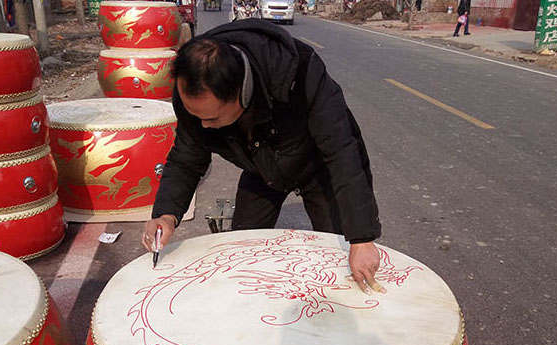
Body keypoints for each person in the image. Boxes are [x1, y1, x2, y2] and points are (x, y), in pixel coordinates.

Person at [142, 19, 384, 294]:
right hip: (261, 168)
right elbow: (186, 160)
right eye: (196, 117)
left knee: (338, 255)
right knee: (243, 251)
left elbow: (342, 153)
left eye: (212, 118)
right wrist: (166, 215)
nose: (203, 126)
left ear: (242, 93)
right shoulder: (195, 101)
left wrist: (362, 237)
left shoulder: (301, 72)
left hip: (317, 165)